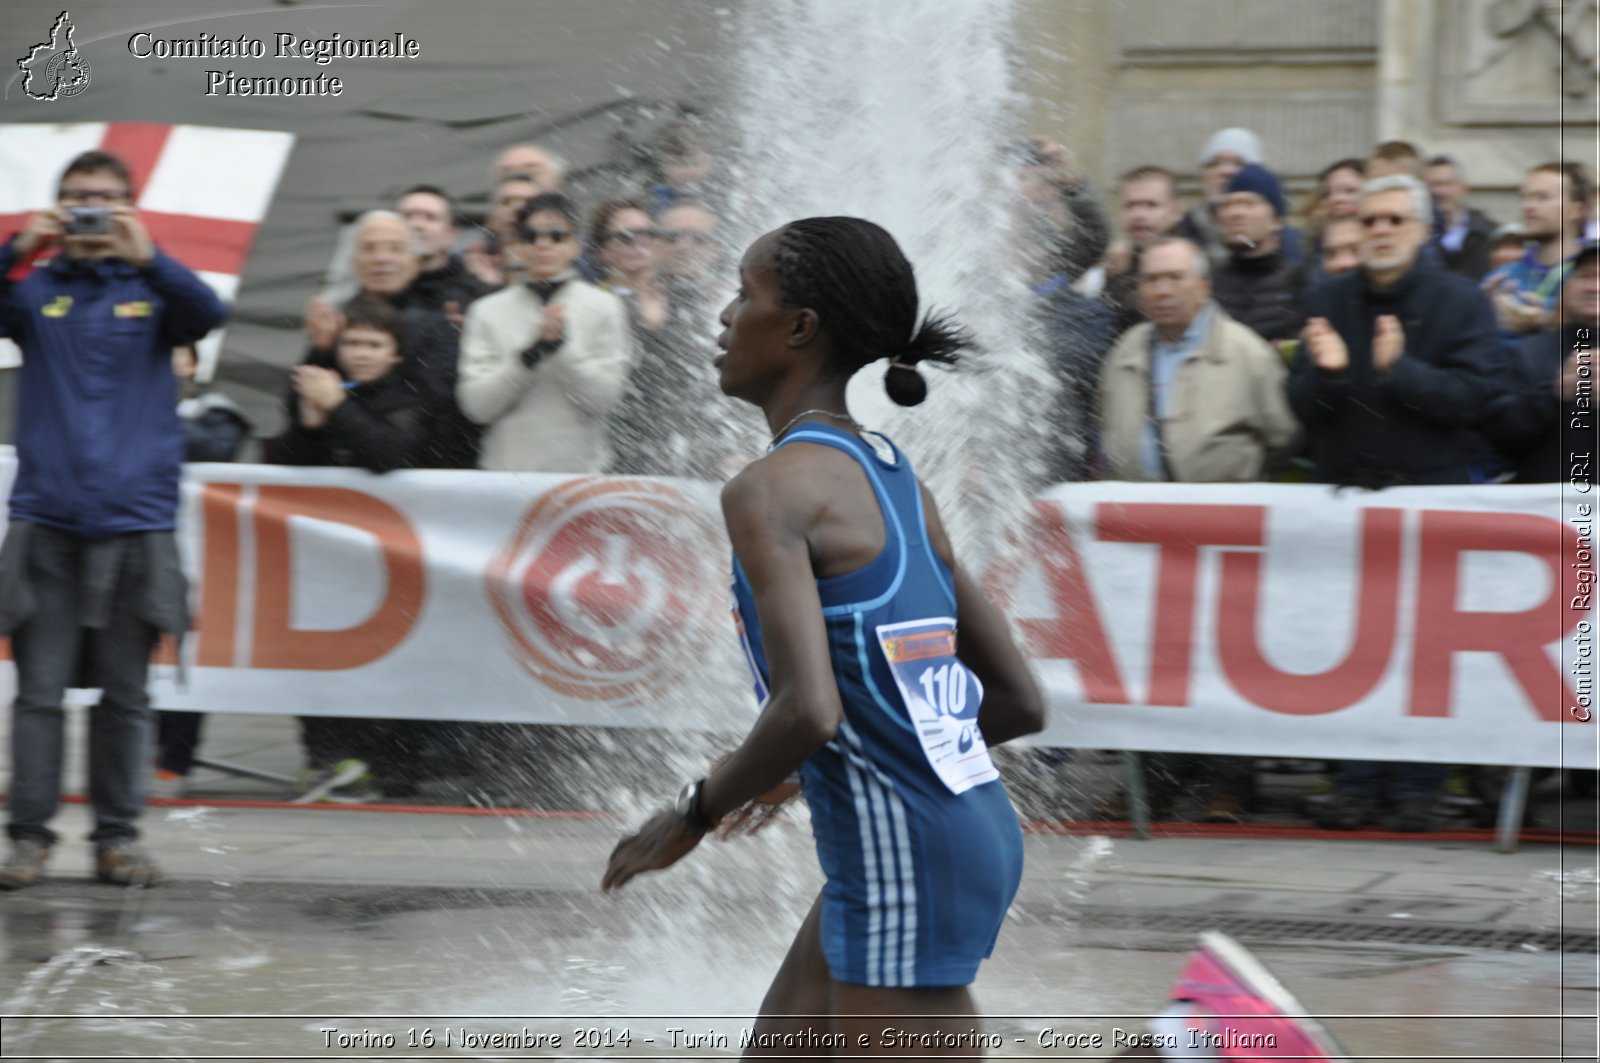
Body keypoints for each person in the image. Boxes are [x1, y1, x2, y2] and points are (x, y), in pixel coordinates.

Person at [602, 216, 1047, 1037]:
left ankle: (1205, 1040)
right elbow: (1019, 700)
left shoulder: (770, 490)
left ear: (801, 328)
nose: (725, 315)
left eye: (746, 295)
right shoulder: (894, 476)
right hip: (955, 828)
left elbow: (809, 710)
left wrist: (691, 813)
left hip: (905, 851)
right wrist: (826, 764)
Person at [0, 150, 226, 888]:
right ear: (56, 209)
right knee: (39, 692)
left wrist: (148, 256)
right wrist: (19, 248)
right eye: (75, 199)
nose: (88, 211)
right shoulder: (33, 294)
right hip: (48, 521)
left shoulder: (156, 289)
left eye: (103, 198)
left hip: (137, 524)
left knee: (127, 695)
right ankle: (27, 839)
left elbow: (209, 314)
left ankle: (117, 840)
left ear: (130, 209)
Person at [1290, 173, 1502, 831]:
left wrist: (1400, 370)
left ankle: (1418, 786)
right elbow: (1301, 412)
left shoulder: (1461, 302)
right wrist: (1325, 373)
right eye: (1372, 220)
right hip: (1348, 505)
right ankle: (1354, 781)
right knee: (1348, 649)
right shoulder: (1327, 296)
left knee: (1425, 650)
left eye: (1394, 220)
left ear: (1423, 230)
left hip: (1430, 504)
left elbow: (1477, 400)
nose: (1381, 230)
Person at [457, 193, 632, 473]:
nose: (543, 244)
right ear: (518, 244)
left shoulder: (605, 307)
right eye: (531, 235)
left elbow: (604, 400)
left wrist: (562, 349)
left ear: (576, 244)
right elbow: (476, 407)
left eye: (556, 235)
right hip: (505, 477)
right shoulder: (486, 310)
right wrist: (529, 356)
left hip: (579, 480)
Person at [1485, 239, 1598, 484]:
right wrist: (1553, 395)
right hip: (1547, 512)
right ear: (1566, 288)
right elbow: (1496, 436)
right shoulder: (1529, 353)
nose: (1594, 286)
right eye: (1586, 276)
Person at [1483, 161, 1590, 340]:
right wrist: (1479, 311)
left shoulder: (1592, 275)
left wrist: (1549, 324)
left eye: (1542, 197)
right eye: (1525, 198)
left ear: (1577, 210)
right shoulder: (1501, 277)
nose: (1528, 206)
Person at [1211, 164, 1308, 345]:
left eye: (1249, 203)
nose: (1235, 213)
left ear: (1276, 221)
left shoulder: (1300, 282)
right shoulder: (1210, 284)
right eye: (1229, 204)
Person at [395, 184, 494, 318]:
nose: (417, 225)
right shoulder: (378, 287)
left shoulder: (475, 294)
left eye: (430, 217)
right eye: (408, 216)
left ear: (450, 233)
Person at [1425, 154, 1498, 281]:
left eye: (1447, 184)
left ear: (1464, 187)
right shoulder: (1419, 236)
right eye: (1434, 185)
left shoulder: (1490, 233)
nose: (1440, 192)